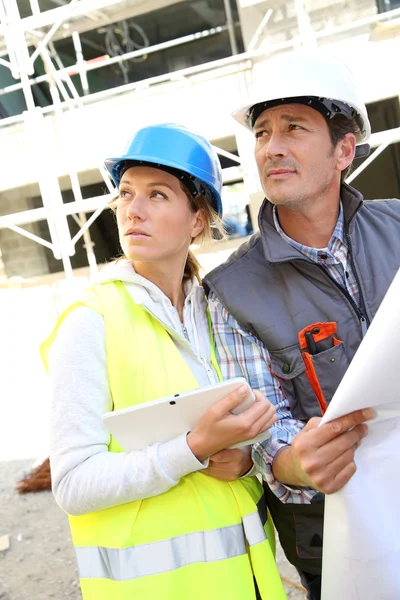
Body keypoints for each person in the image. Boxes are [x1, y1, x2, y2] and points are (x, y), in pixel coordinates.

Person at [41, 123, 287, 600]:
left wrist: (245, 460)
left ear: (197, 219)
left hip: (247, 583)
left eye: (157, 195)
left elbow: (248, 432)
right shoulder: (91, 320)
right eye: (127, 193)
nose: (133, 210)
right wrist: (191, 449)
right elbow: (71, 483)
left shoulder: (216, 310)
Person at [203, 52, 400, 600]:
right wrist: (296, 462)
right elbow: (264, 430)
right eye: (262, 132)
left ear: (344, 150)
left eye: (294, 128)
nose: (271, 147)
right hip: (343, 539)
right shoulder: (233, 291)